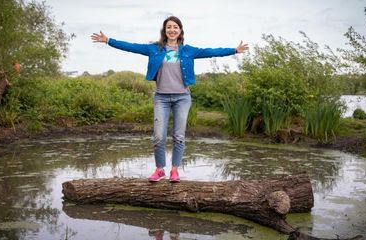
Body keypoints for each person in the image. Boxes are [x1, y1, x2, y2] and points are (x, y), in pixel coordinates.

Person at [91, 16, 248, 183]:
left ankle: (174, 170)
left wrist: (234, 50)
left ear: (180, 31)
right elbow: (131, 47)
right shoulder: (154, 49)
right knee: (159, 136)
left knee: (178, 135)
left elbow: (211, 51)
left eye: (175, 27)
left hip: (182, 97)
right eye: (169, 27)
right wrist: (108, 40)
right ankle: (160, 170)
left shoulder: (188, 50)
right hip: (161, 98)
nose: (172, 30)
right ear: (164, 31)